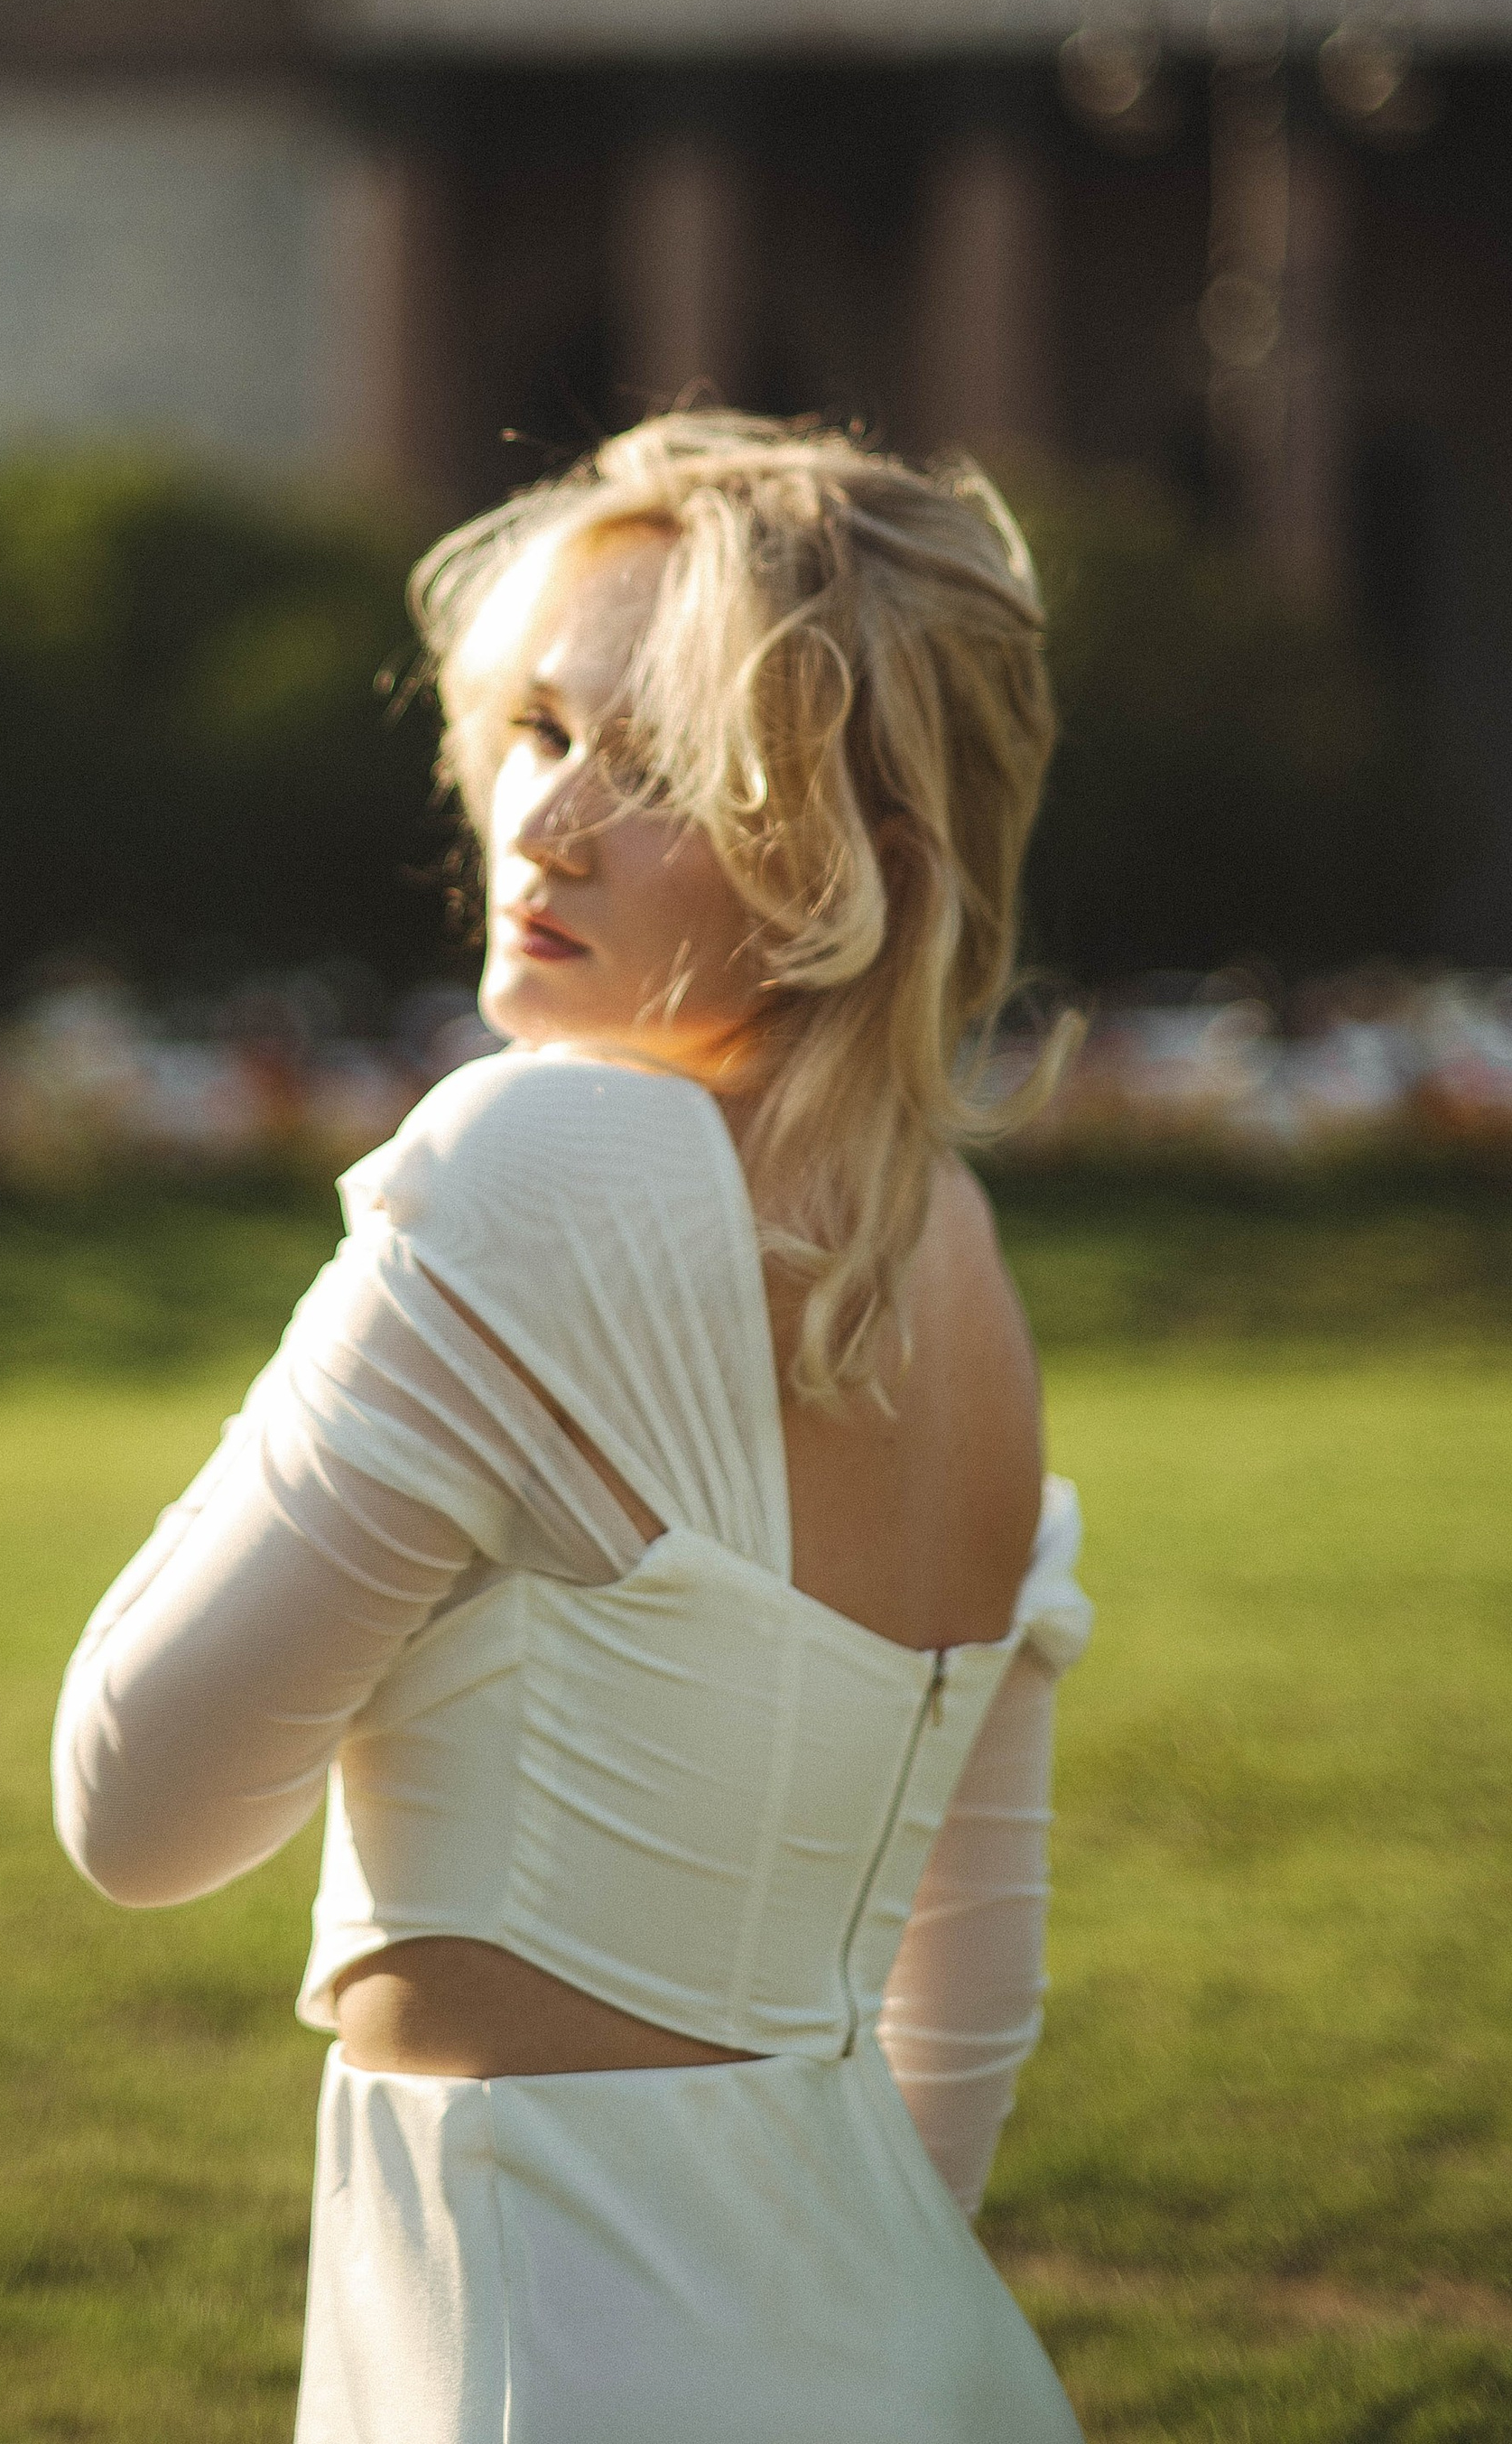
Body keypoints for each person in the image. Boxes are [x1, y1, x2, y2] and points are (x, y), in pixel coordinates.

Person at [52, 413, 1090, 2442]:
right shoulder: (952, 1254)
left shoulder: (551, 1162)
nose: (542, 823)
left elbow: (133, 1805)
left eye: (671, 769)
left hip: (555, 2363)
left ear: (857, 860)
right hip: (911, 2357)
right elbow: (966, 2000)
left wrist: (386, 1280)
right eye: (536, 725)